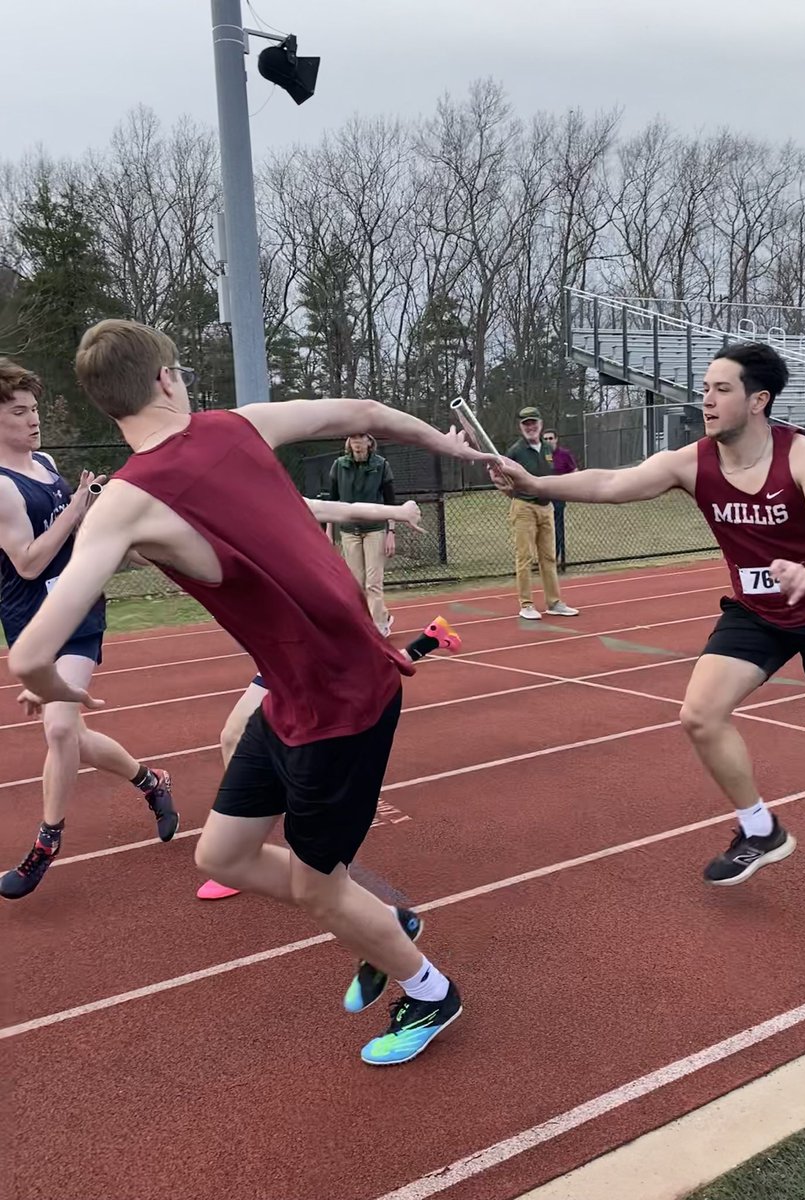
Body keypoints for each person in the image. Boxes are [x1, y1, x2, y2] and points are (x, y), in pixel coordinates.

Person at [8, 319, 493, 1065]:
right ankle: (385, 924)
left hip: (345, 699)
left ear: (110, 407)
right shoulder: (237, 425)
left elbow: (33, 652)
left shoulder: (122, 502)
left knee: (315, 884)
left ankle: (431, 992)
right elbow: (363, 410)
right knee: (224, 855)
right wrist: (445, 444)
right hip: (293, 698)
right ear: (166, 378)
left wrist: (47, 684)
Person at [491, 343, 805, 884]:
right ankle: (760, 829)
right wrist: (537, 484)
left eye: (721, 389)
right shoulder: (692, 462)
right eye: (705, 388)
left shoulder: (803, 457)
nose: (706, 399)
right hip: (757, 615)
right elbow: (612, 483)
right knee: (700, 715)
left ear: (759, 400)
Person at [198, 490, 461, 904]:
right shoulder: (208, 505)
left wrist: (398, 511)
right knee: (235, 735)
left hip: (311, 641)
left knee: (273, 732)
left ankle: (252, 853)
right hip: (287, 650)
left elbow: (341, 509)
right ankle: (427, 640)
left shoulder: (261, 497)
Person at [0, 357, 177, 901]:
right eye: (20, 412)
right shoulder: (2, 486)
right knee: (72, 736)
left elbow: (75, 544)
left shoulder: (47, 462)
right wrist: (77, 506)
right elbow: (28, 562)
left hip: (76, 613)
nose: (34, 420)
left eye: (35, 409)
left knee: (58, 731)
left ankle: (45, 845)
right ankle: (150, 781)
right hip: (30, 619)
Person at [505, 406, 579, 620]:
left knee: (548, 557)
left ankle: (554, 602)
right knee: (525, 557)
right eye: (526, 423)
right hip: (524, 507)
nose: (530, 427)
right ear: (520, 427)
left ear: (540, 424)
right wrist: (519, 499)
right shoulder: (515, 451)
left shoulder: (548, 448)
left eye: (533, 422)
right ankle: (526, 604)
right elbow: (506, 483)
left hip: (546, 507)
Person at [330, 434, 397, 636]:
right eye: (353, 438)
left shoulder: (382, 465)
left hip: (375, 529)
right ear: (348, 442)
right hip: (349, 531)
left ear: (369, 442)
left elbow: (390, 502)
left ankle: (379, 627)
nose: (357, 442)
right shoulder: (339, 465)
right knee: (356, 584)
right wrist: (328, 532)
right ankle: (369, 621)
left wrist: (391, 532)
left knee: (373, 583)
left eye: (361, 438)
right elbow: (331, 502)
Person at [542, 428, 578, 571]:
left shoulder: (564, 454)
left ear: (556, 439)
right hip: (543, 497)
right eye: (545, 439)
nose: (548, 441)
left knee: (557, 528)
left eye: (551, 438)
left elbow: (575, 472)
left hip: (558, 496)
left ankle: (559, 559)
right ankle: (544, 558)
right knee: (543, 529)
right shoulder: (540, 455)